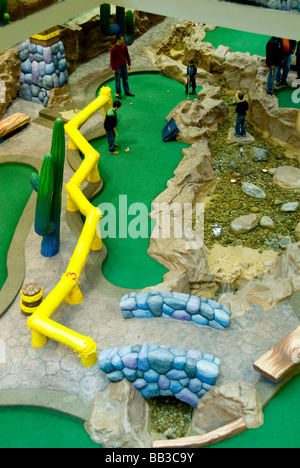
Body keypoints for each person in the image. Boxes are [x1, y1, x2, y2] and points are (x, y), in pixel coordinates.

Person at [110, 33, 135, 99]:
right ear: (118, 40)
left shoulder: (124, 46)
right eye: (122, 40)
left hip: (124, 66)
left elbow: (127, 55)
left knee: (125, 80)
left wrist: (129, 64)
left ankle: (127, 91)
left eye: (123, 39)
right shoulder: (113, 49)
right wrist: (113, 69)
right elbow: (112, 60)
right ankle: (118, 93)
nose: (123, 41)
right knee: (118, 81)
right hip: (117, 67)